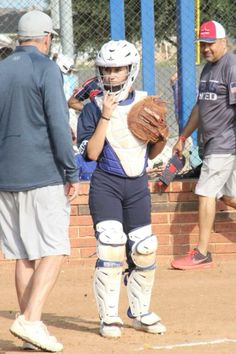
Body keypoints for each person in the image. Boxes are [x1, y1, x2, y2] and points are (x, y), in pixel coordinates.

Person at [0, 10, 79, 352]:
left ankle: (29, 326)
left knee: (24, 254)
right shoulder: (45, 68)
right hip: (42, 173)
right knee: (55, 247)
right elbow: (59, 125)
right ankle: (31, 320)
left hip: (5, 176)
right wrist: (71, 169)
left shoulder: (1, 69)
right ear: (46, 38)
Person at [77, 39, 167, 338]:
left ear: (132, 69)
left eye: (118, 69)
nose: (112, 75)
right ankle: (110, 317)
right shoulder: (91, 107)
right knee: (112, 245)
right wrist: (105, 113)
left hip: (138, 186)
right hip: (106, 185)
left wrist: (162, 136)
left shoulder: (145, 102)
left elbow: (151, 154)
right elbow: (91, 153)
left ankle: (140, 312)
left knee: (144, 248)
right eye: (106, 70)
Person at [171, 20, 236, 270]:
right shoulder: (208, 70)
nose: (206, 48)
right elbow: (200, 107)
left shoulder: (231, 65)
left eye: (210, 43)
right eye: (202, 44)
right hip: (214, 144)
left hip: (225, 142)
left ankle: (202, 253)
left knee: (205, 191)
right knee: (229, 197)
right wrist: (183, 137)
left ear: (223, 42)